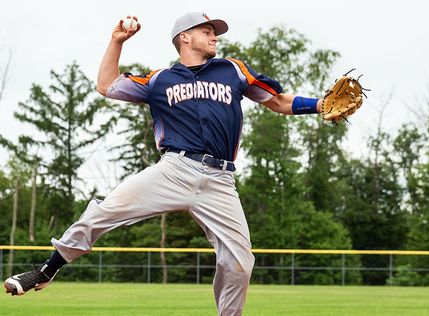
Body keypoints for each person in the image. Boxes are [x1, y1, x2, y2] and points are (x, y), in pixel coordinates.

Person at [4, 12, 322, 315]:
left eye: (214, 32)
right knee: (106, 209)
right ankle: (46, 270)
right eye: (207, 30)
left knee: (240, 262)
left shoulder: (233, 70)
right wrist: (117, 41)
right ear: (184, 37)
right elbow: (106, 86)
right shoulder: (161, 80)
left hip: (221, 180)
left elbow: (278, 101)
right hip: (175, 170)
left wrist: (319, 105)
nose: (214, 36)